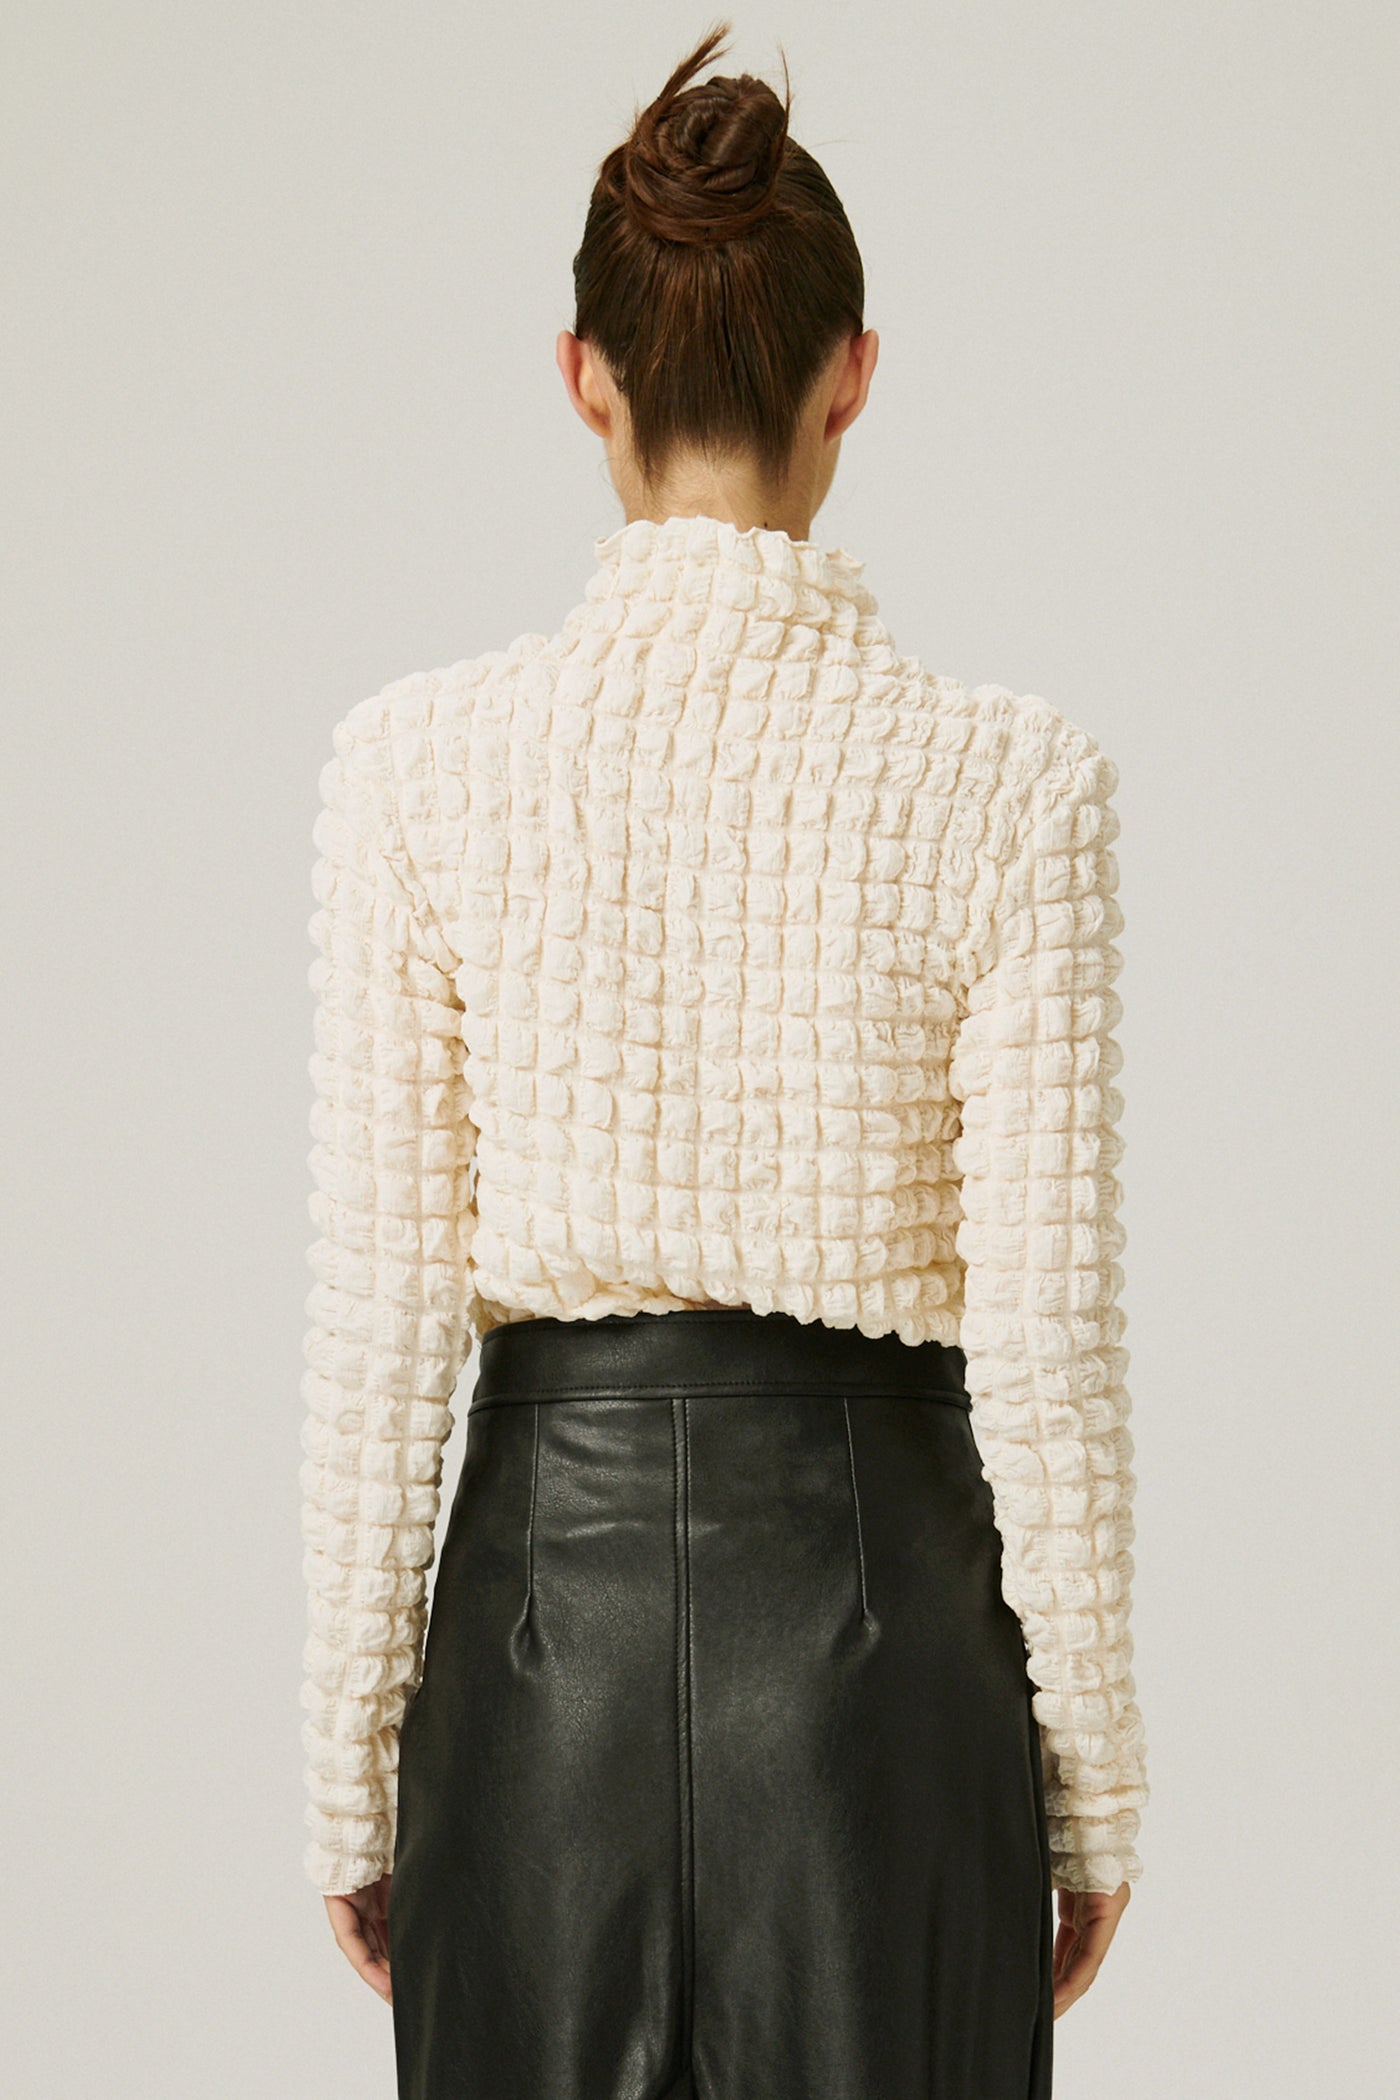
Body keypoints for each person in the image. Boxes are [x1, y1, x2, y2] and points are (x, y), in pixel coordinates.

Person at [298, 22, 1146, 2098]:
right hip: (887, 1674)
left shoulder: (415, 771)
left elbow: (382, 1320)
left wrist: (347, 1768)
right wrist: (1093, 1782)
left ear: (581, 379)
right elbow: (1047, 1339)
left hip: (537, 1668)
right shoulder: (1012, 785)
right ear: (853, 374)